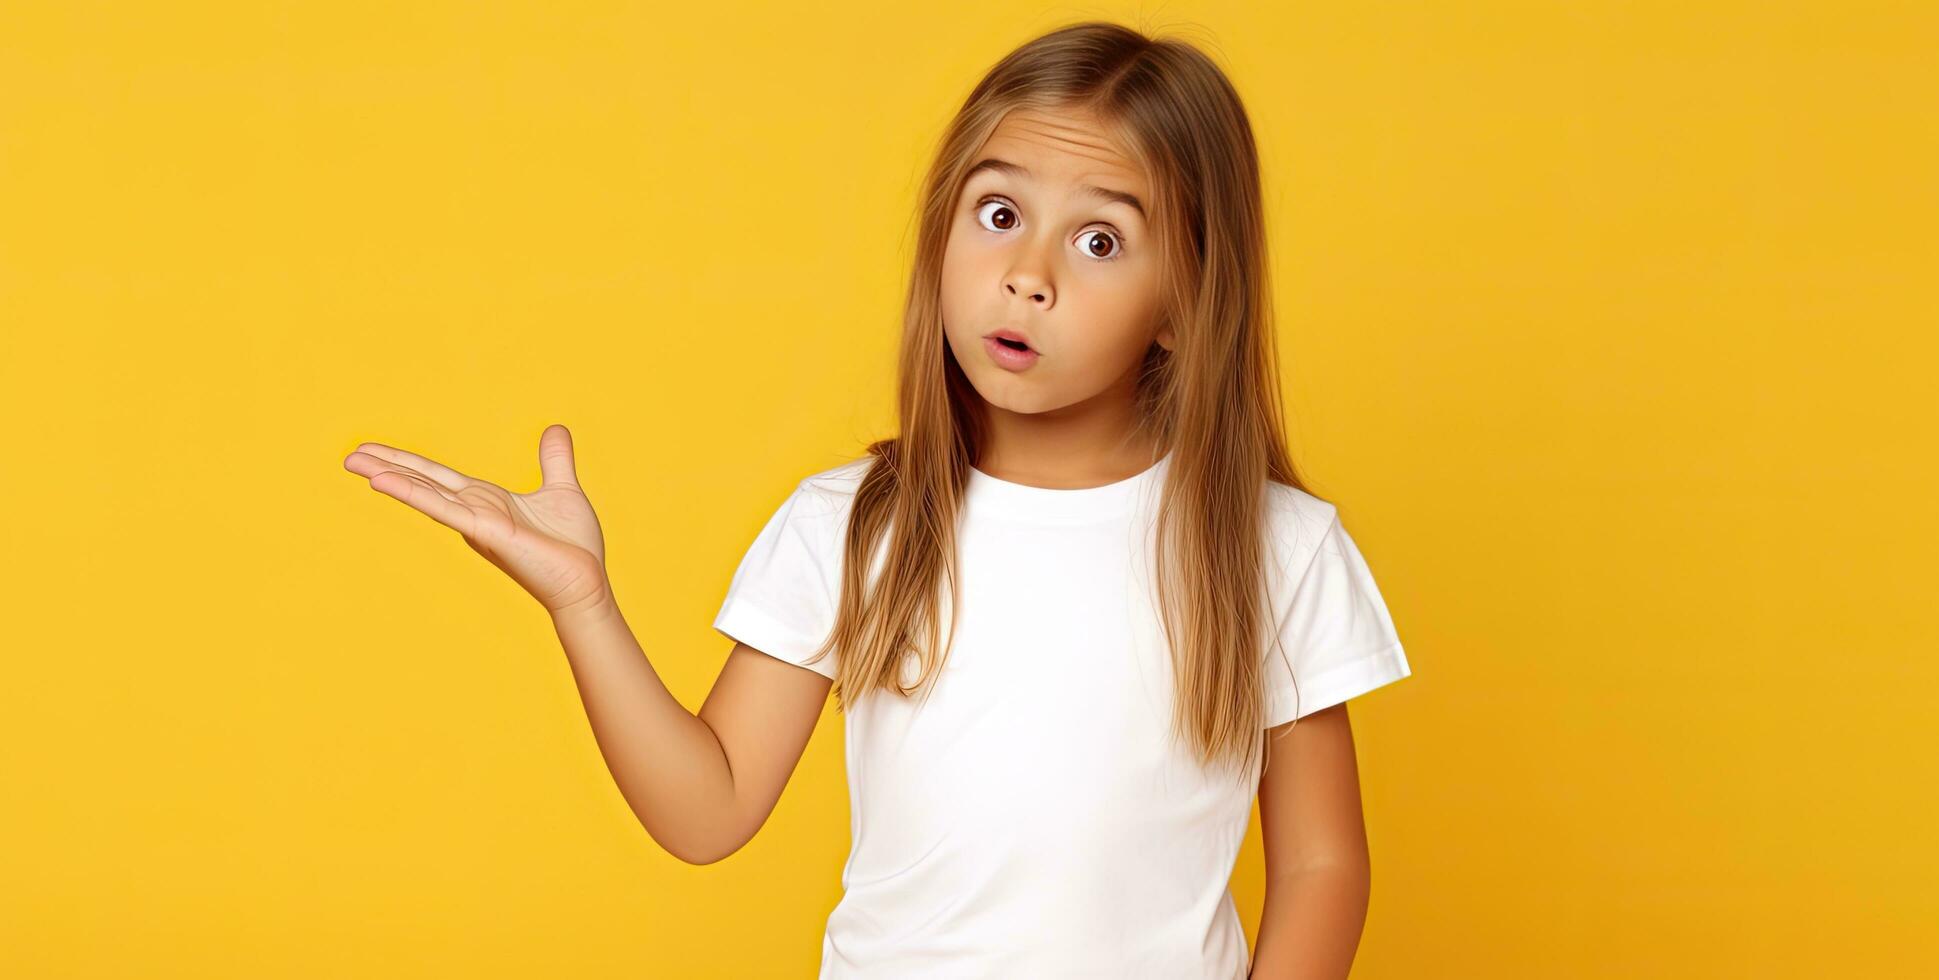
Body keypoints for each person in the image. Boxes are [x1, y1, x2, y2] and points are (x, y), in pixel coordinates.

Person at [342, 20, 1411, 979]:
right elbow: (706, 809)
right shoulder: (853, 523)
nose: (1026, 274)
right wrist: (583, 602)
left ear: (1185, 297)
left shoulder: (1275, 547)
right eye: (998, 213)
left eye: (1098, 240)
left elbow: (1321, 862)